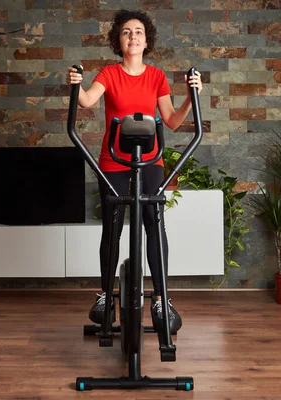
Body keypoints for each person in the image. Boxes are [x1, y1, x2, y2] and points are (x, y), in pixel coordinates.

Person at [66, 9, 202, 334]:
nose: (133, 36)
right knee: (111, 228)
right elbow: (86, 101)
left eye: (138, 32)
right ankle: (104, 296)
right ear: (119, 39)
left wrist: (190, 96)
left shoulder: (156, 77)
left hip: (150, 161)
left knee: (154, 223)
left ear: (146, 39)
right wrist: (76, 84)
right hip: (113, 161)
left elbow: (171, 119)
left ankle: (161, 298)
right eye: (127, 32)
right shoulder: (109, 74)